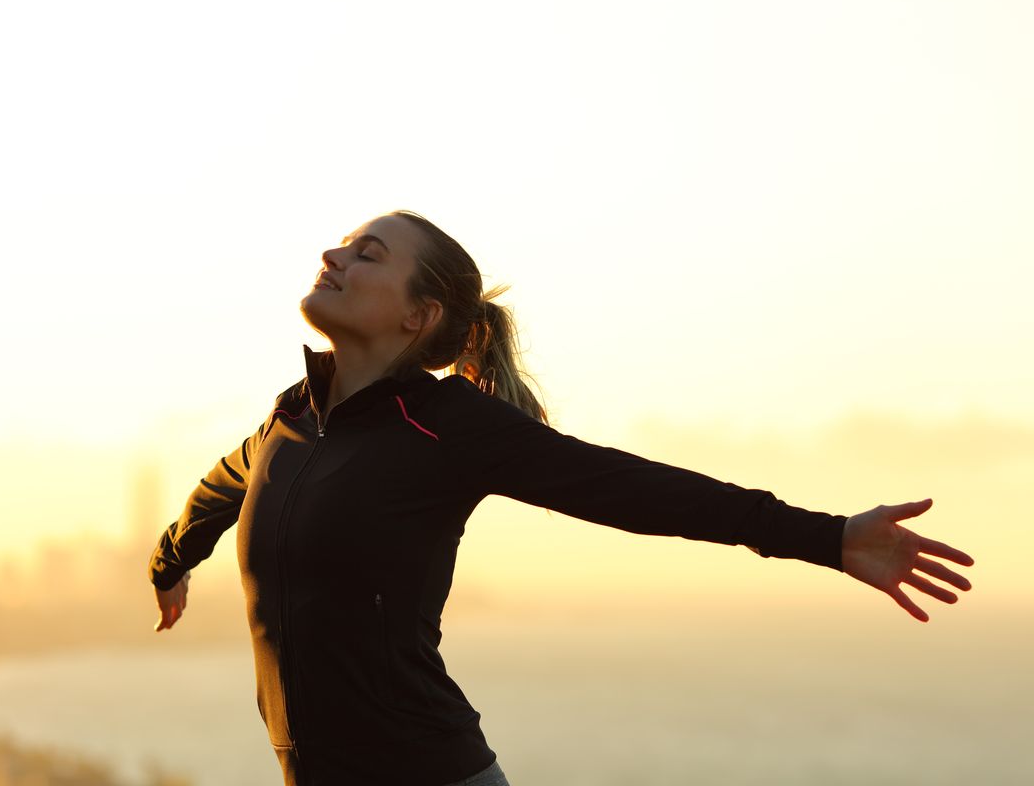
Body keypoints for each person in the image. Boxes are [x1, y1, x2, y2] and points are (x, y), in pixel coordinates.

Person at [148, 210, 974, 786]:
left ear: (418, 315)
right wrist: (170, 559)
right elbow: (220, 491)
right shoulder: (291, 420)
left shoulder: (446, 425)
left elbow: (630, 488)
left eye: (369, 255)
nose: (335, 259)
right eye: (341, 245)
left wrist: (826, 537)